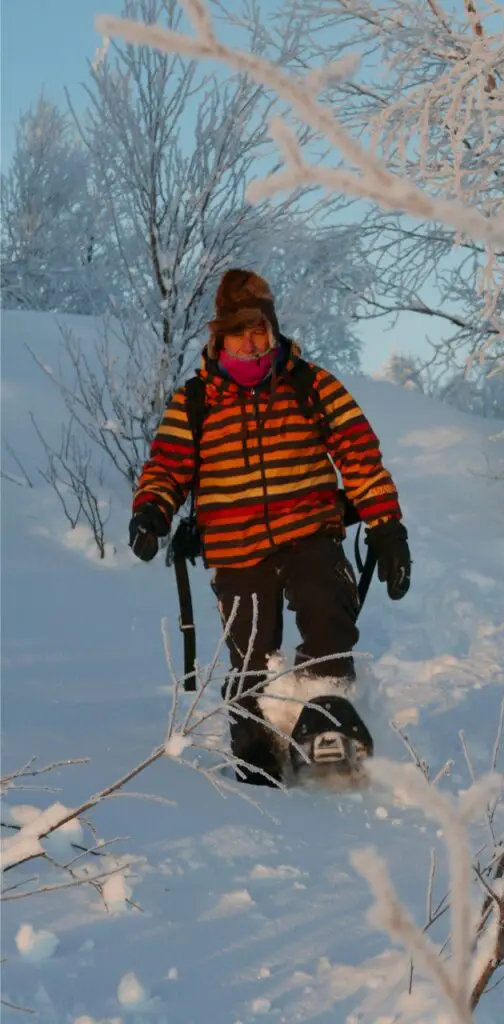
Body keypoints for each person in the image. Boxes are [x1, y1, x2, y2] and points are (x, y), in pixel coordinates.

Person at [128, 269, 411, 785]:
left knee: (326, 610)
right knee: (251, 650)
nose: (251, 340)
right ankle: (257, 751)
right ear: (220, 337)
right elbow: (168, 465)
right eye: (239, 331)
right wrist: (152, 510)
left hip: (309, 531)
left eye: (259, 328)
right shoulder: (197, 400)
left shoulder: (311, 384)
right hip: (236, 547)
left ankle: (328, 723)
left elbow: (360, 456)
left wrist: (387, 529)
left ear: (274, 328)